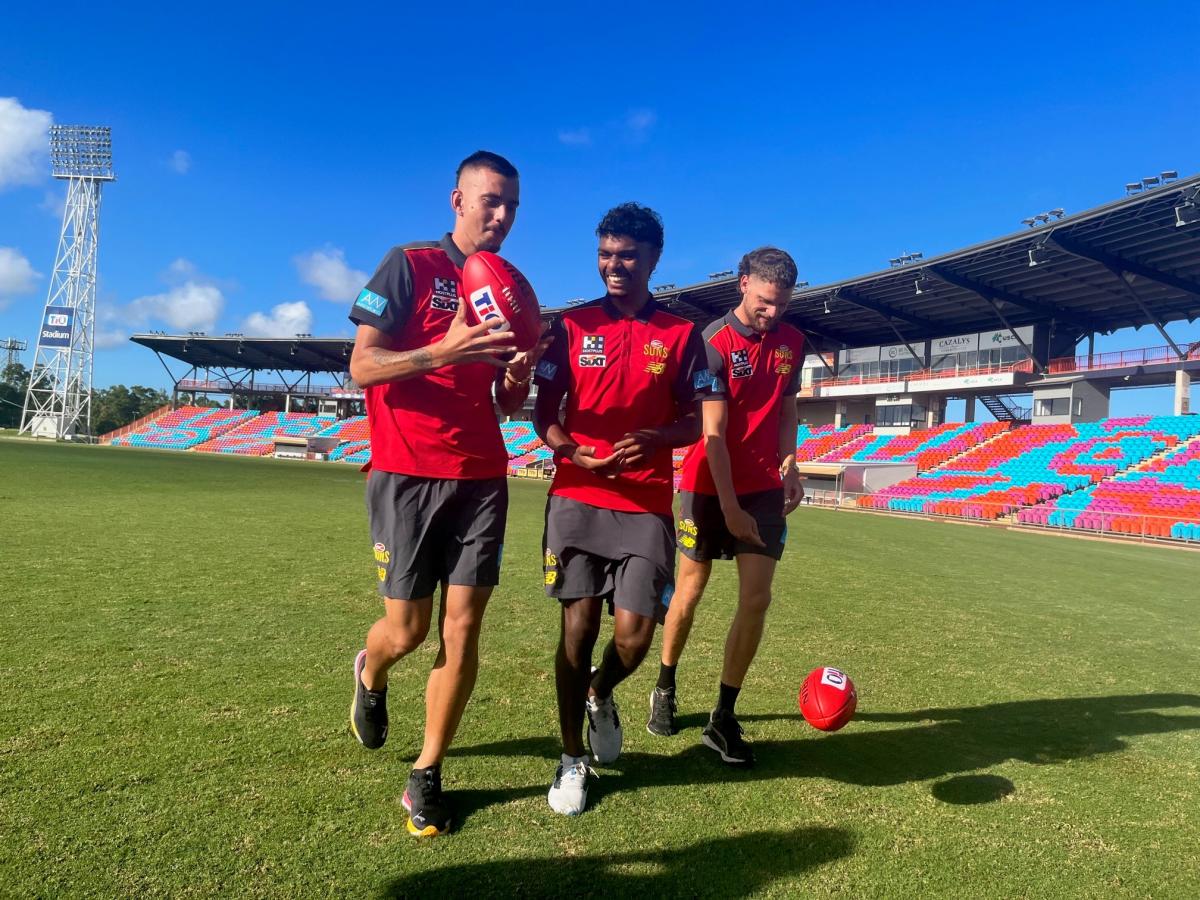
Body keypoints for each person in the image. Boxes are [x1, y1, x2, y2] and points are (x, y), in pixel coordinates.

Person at [346, 150, 545, 838]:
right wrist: (443, 351)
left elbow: (504, 397)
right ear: (456, 199)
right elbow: (362, 366)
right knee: (408, 630)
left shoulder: (511, 289)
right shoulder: (409, 265)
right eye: (491, 200)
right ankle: (371, 672)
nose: (502, 216)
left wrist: (514, 385)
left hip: (483, 476)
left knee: (463, 630)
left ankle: (426, 775)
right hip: (405, 471)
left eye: (513, 206)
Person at [533, 202, 714, 815]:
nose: (614, 265)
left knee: (634, 639)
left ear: (655, 259)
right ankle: (568, 759)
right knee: (577, 629)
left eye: (627, 256)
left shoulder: (682, 335)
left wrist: (660, 438)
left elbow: (696, 419)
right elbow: (542, 413)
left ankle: (600, 694)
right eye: (606, 254)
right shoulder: (570, 326)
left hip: (644, 506)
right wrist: (571, 451)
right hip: (577, 496)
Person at [649, 247, 805, 766]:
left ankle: (722, 717)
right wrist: (731, 510)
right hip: (706, 485)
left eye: (781, 304)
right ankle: (666, 684)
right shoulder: (710, 344)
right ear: (742, 285)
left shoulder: (793, 343)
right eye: (765, 302)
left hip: (762, 487)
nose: (773, 313)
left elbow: (787, 407)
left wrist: (791, 463)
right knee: (690, 589)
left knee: (756, 599)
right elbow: (712, 436)